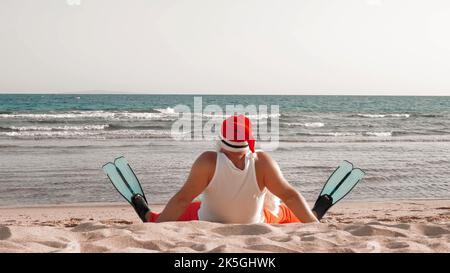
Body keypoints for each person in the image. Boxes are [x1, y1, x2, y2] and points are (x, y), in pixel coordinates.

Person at [132, 115, 319, 224]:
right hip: (253, 223)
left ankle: (150, 217)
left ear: (221, 140)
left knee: (191, 207)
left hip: (208, 221)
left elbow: (181, 200)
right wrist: (314, 226)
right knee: (282, 212)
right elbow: (290, 196)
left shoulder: (207, 161)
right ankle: (313, 216)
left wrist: (158, 226)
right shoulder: (262, 161)